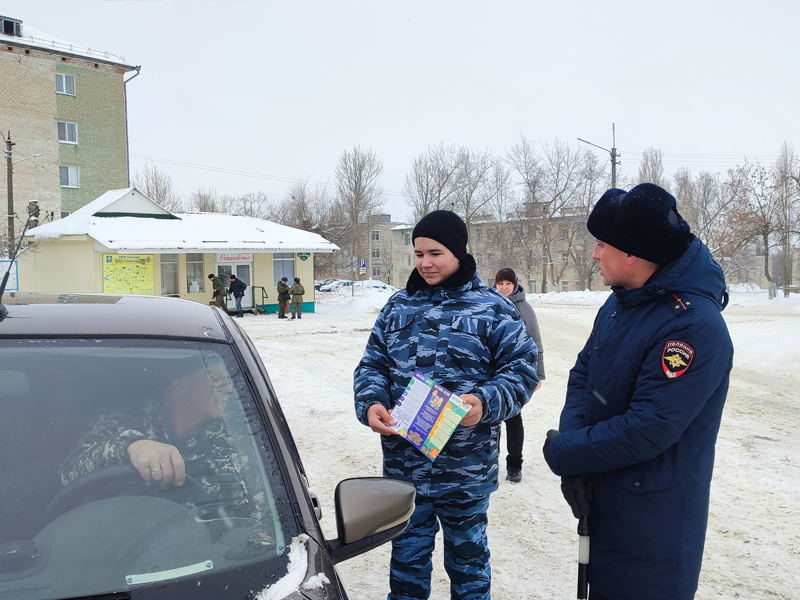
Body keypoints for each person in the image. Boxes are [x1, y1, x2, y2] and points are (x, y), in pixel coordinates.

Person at [542, 183, 734, 600]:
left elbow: (649, 426)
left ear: (632, 253)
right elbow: (583, 374)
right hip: (605, 499)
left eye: (601, 244)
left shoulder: (692, 326)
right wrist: (576, 450)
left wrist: (567, 452)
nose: (594, 255)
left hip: (653, 526)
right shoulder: (621, 302)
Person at [354, 210, 538, 600]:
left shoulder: (493, 308)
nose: (424, 263)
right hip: (406, 467)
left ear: (457, 252)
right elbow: (373, 365)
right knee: (406, 567)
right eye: (418, 254)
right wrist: (371, 402)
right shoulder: (398, 306)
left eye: (434, 252)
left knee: (469, 567)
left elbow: (522, 372)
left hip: (465, 472)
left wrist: (485, 403)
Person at [59, 357, 255, 518]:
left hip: (202, 552)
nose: (229, 388)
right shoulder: (122, 422)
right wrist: (132, 446)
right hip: (115, 548)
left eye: (228, 379)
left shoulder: (232, 436)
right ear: (180, 386)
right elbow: (68, 474)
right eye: (217, 378)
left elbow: (251, 503)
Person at [493, 267, 545, 483]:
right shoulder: (488, 304)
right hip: (491, 371)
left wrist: (538, 373)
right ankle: (490, 461)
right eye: (500, 284)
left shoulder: (524, 308)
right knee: (490, 419)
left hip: (514, 372)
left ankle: (515, 465)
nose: (504, 288)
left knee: (513, 418)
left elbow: (536, 342)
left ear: (515, 285)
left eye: (508, 284)